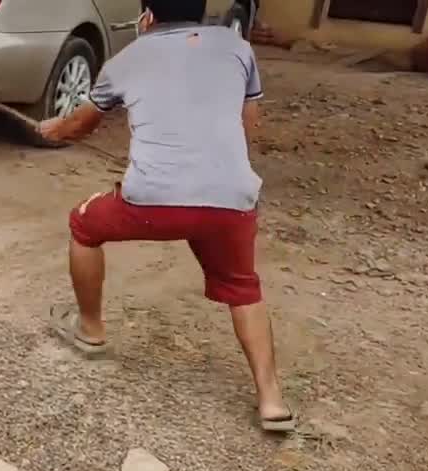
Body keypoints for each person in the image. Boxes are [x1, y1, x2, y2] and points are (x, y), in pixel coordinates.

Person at [38, 0, 294, 433]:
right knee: (243, 287)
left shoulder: (127, 58)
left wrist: (51, 129)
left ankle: (91, 330)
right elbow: (249, 123)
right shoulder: (236, 46)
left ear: (148, 16)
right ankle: (271, 401)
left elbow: (79, 126)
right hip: (230, 200)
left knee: (84, 225)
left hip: (153, 203)